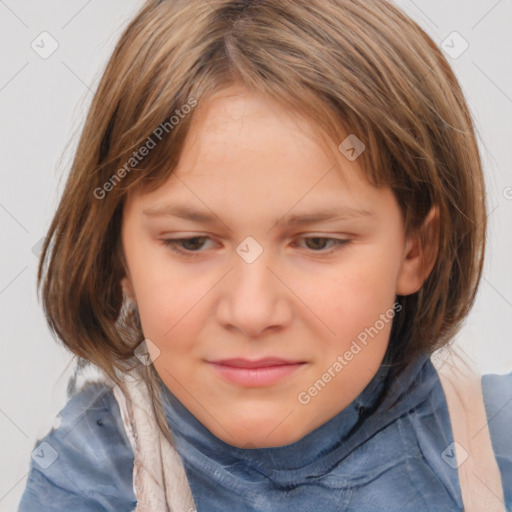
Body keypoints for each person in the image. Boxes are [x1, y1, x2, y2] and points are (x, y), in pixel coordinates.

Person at [18, 0, 511, 511]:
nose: (252, 312)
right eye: (191, 243)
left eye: (319, 242)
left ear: (416, 248)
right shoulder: (89, 479)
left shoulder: (495, 446)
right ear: (117, 256)